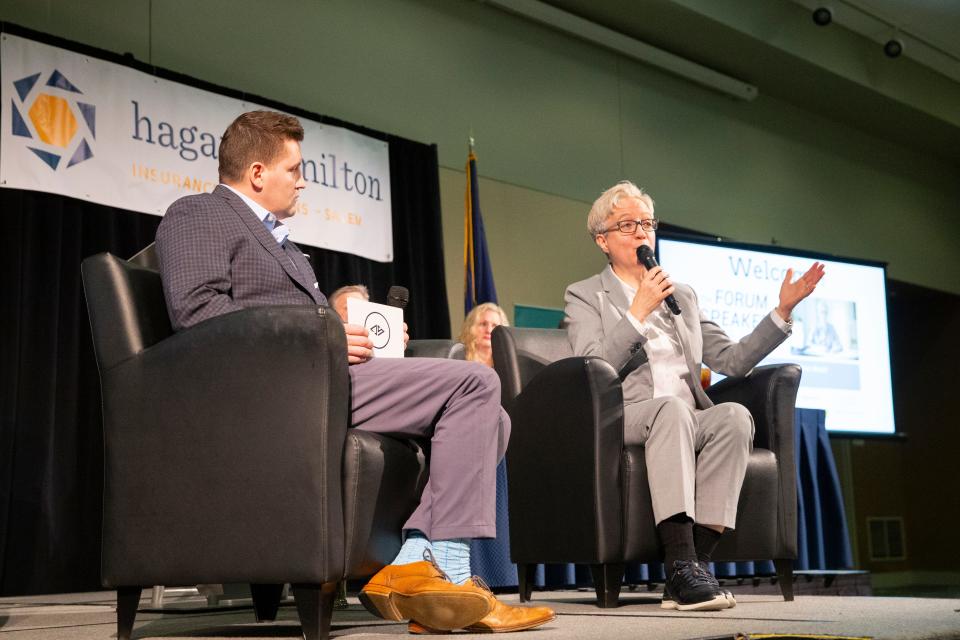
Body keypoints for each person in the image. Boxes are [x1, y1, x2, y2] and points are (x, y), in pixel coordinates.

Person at [155, 111, 553, 633]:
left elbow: (301, 323)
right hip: (277, 390)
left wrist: (362, 337)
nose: (303, 180)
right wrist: (322, 335)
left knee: (493, 419)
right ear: (256, 173)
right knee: (477, 381)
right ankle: (444, 571)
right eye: (295, 168)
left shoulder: (286, 247)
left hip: (320, 380)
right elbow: (198, 312)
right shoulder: (198, 213)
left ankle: (417, 563)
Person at [563, 180, 824, 612]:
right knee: (670, 411)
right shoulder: (585, 294)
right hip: (622, 414)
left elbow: (733, 360)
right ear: (602, 240)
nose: (642, 232)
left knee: (734, 416)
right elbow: (594, 367)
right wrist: (637, 311)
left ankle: (692, 568)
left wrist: (782, 313)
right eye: (627, 224)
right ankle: (681, 563)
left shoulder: (681, 293)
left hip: (685, 414)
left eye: (647, 223)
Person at [458, 302, 509, 367]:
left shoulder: (507, 362)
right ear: (471, 327)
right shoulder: (458, 358)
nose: (489, 330)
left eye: (494, 325)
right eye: (483, 324)